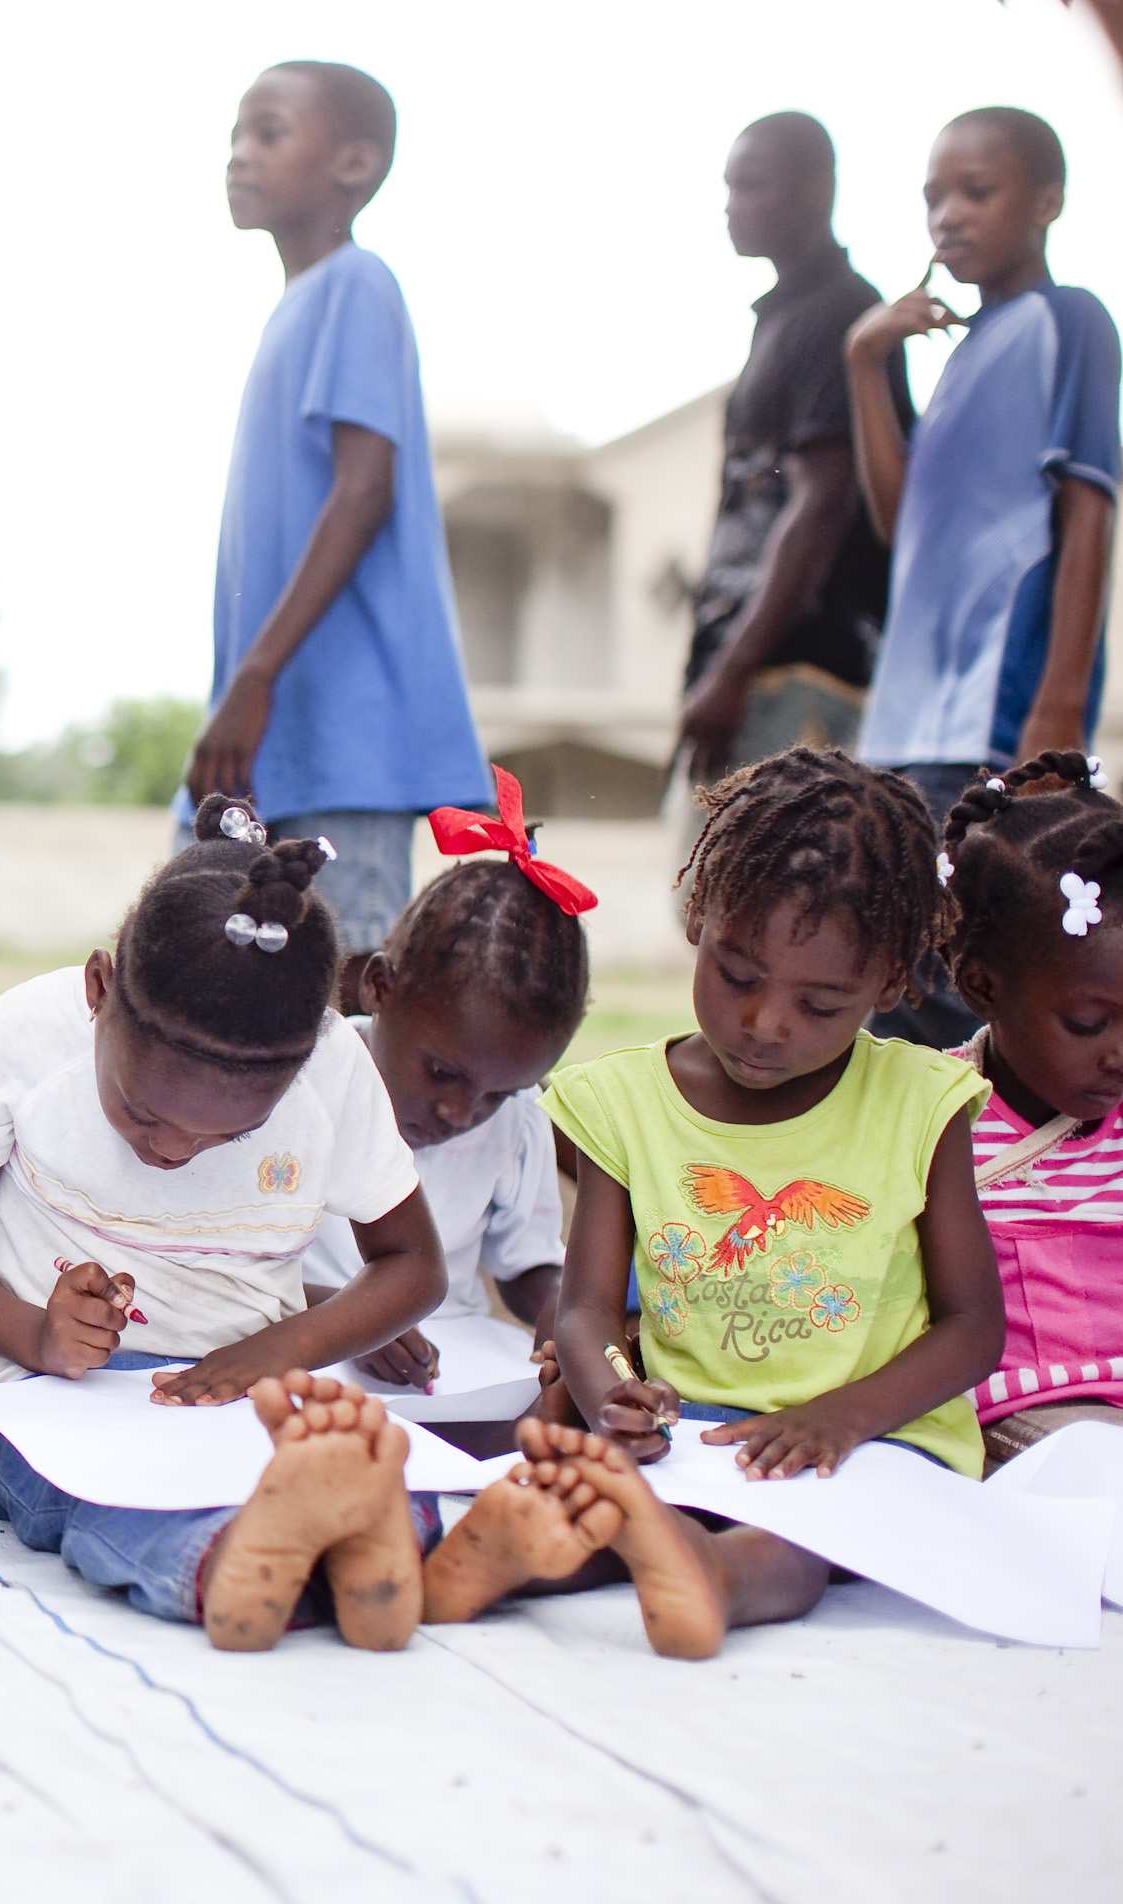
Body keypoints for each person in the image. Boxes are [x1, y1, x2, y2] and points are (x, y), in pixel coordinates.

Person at [0, 796, 457, 1649]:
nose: (178, 1151)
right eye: (144, 1113)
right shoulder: (10, 1046)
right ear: (98, 991)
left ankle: (376, 1549)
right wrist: (37, 1336)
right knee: (89, 1494)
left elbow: (413, 1264)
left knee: (352, 1459)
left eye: (233, 1133)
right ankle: (230, 1563)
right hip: (47, 1395)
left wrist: (282, 1349)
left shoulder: (333, 1066)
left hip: (257, 1390)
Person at [491, 748, 999, 1659]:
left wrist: (835, 1420)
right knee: (592, 1502)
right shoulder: (625, 1103)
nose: (765, 1024)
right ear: (698, 920)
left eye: (819, 1004)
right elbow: (589, 1311)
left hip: (871, 1442)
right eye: (736, 974)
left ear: (888, 987)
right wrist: (614, 1390)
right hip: (696, 1436)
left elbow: (972, 1329)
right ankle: (481, 1560)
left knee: (804, 1544)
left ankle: (717, 1582)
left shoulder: (922, 1105)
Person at [188, 61, 488, 1005]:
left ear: (355, 163)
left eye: (269, 132)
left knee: (350, 1001)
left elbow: (362, 493)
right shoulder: (296, 308)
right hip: (277, 738)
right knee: (241, 994)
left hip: (342, 739)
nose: (240, 154)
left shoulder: (358, 285)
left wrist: (253, 677)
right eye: (237, 133)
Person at [851, 106, 1120, 1048]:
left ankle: (1008, 1189)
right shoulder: (961, 352)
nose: (947, 217)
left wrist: (1061, 703)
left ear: (1047, 202)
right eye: (933, 197)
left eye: (976, 192)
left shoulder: (1070, 320)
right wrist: (865, 358)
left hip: (996, 721)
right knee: (903, 975)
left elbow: (1088, 511)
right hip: (910, 723)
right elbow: (901, 524)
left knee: (971, 978)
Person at [302, 770, 593, 1389]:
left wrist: (569, 1318)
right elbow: (227, 1258)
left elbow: (525, 1266)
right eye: (442, 1073)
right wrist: (348, 1316)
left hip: (448, 1378)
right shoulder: (299, 1079)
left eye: (498, 1093)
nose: (462, 1114)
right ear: (379, 987)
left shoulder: (518, 1121)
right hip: (294, 1351)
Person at [673, 113, 913, 811]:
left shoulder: (842, 311)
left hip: (801, 666)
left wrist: (733, 669)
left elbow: (821, 504)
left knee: (762, 896)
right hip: (754, 660)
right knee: (716, 894)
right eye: (729, 185)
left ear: (815, 190)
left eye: (751, 184)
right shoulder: (784, 315)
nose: (730, 204)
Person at [935, 752, 1123, 1465]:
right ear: (983, 986)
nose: (1119, 1054)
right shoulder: (933, 1118)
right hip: (1026, 1420)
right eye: (1087, 1023)